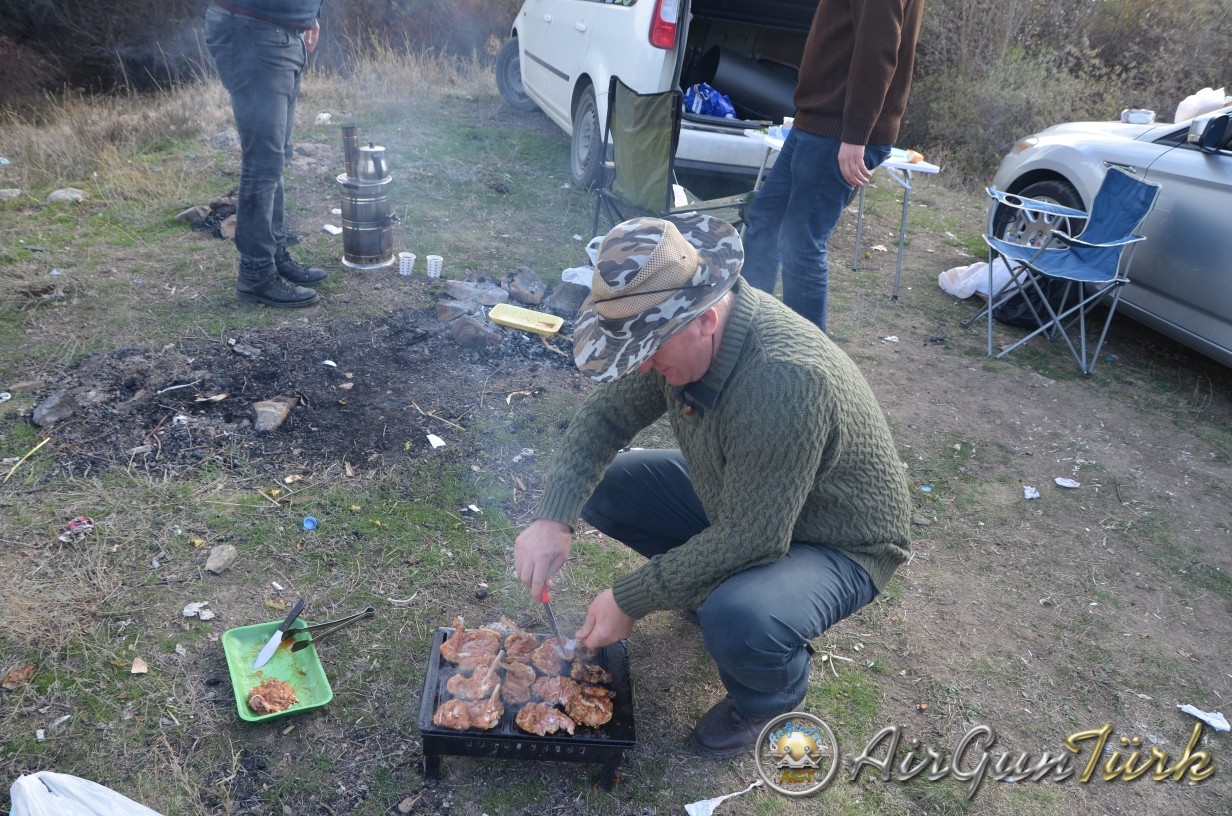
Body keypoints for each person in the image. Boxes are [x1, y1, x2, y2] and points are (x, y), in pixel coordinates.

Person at [514, 213, 911, 757]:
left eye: (648, 350)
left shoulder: (784, 379)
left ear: (703, 319)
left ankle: (769, 699)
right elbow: (602, 420)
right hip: (744, 495)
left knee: (739, 615)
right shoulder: (679, 345)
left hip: (837, 540)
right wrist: (551, 517)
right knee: (610, 485)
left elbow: (754, 538)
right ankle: (710, 585)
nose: (643, 367)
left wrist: (631, 597)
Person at [740, 0, 926, 332]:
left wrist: (856, 134)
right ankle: (749, 330)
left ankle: (808, 363)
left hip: (839, 131)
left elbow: (878, 48)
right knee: (766, 221)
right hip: (815, 122)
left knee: (801, 243)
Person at [205, 0, 328, 308]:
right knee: (263, 160)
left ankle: (272, 255)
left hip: (280, 30)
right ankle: (256, 274)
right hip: (254, 32)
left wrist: (311, 15)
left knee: (274, 157)